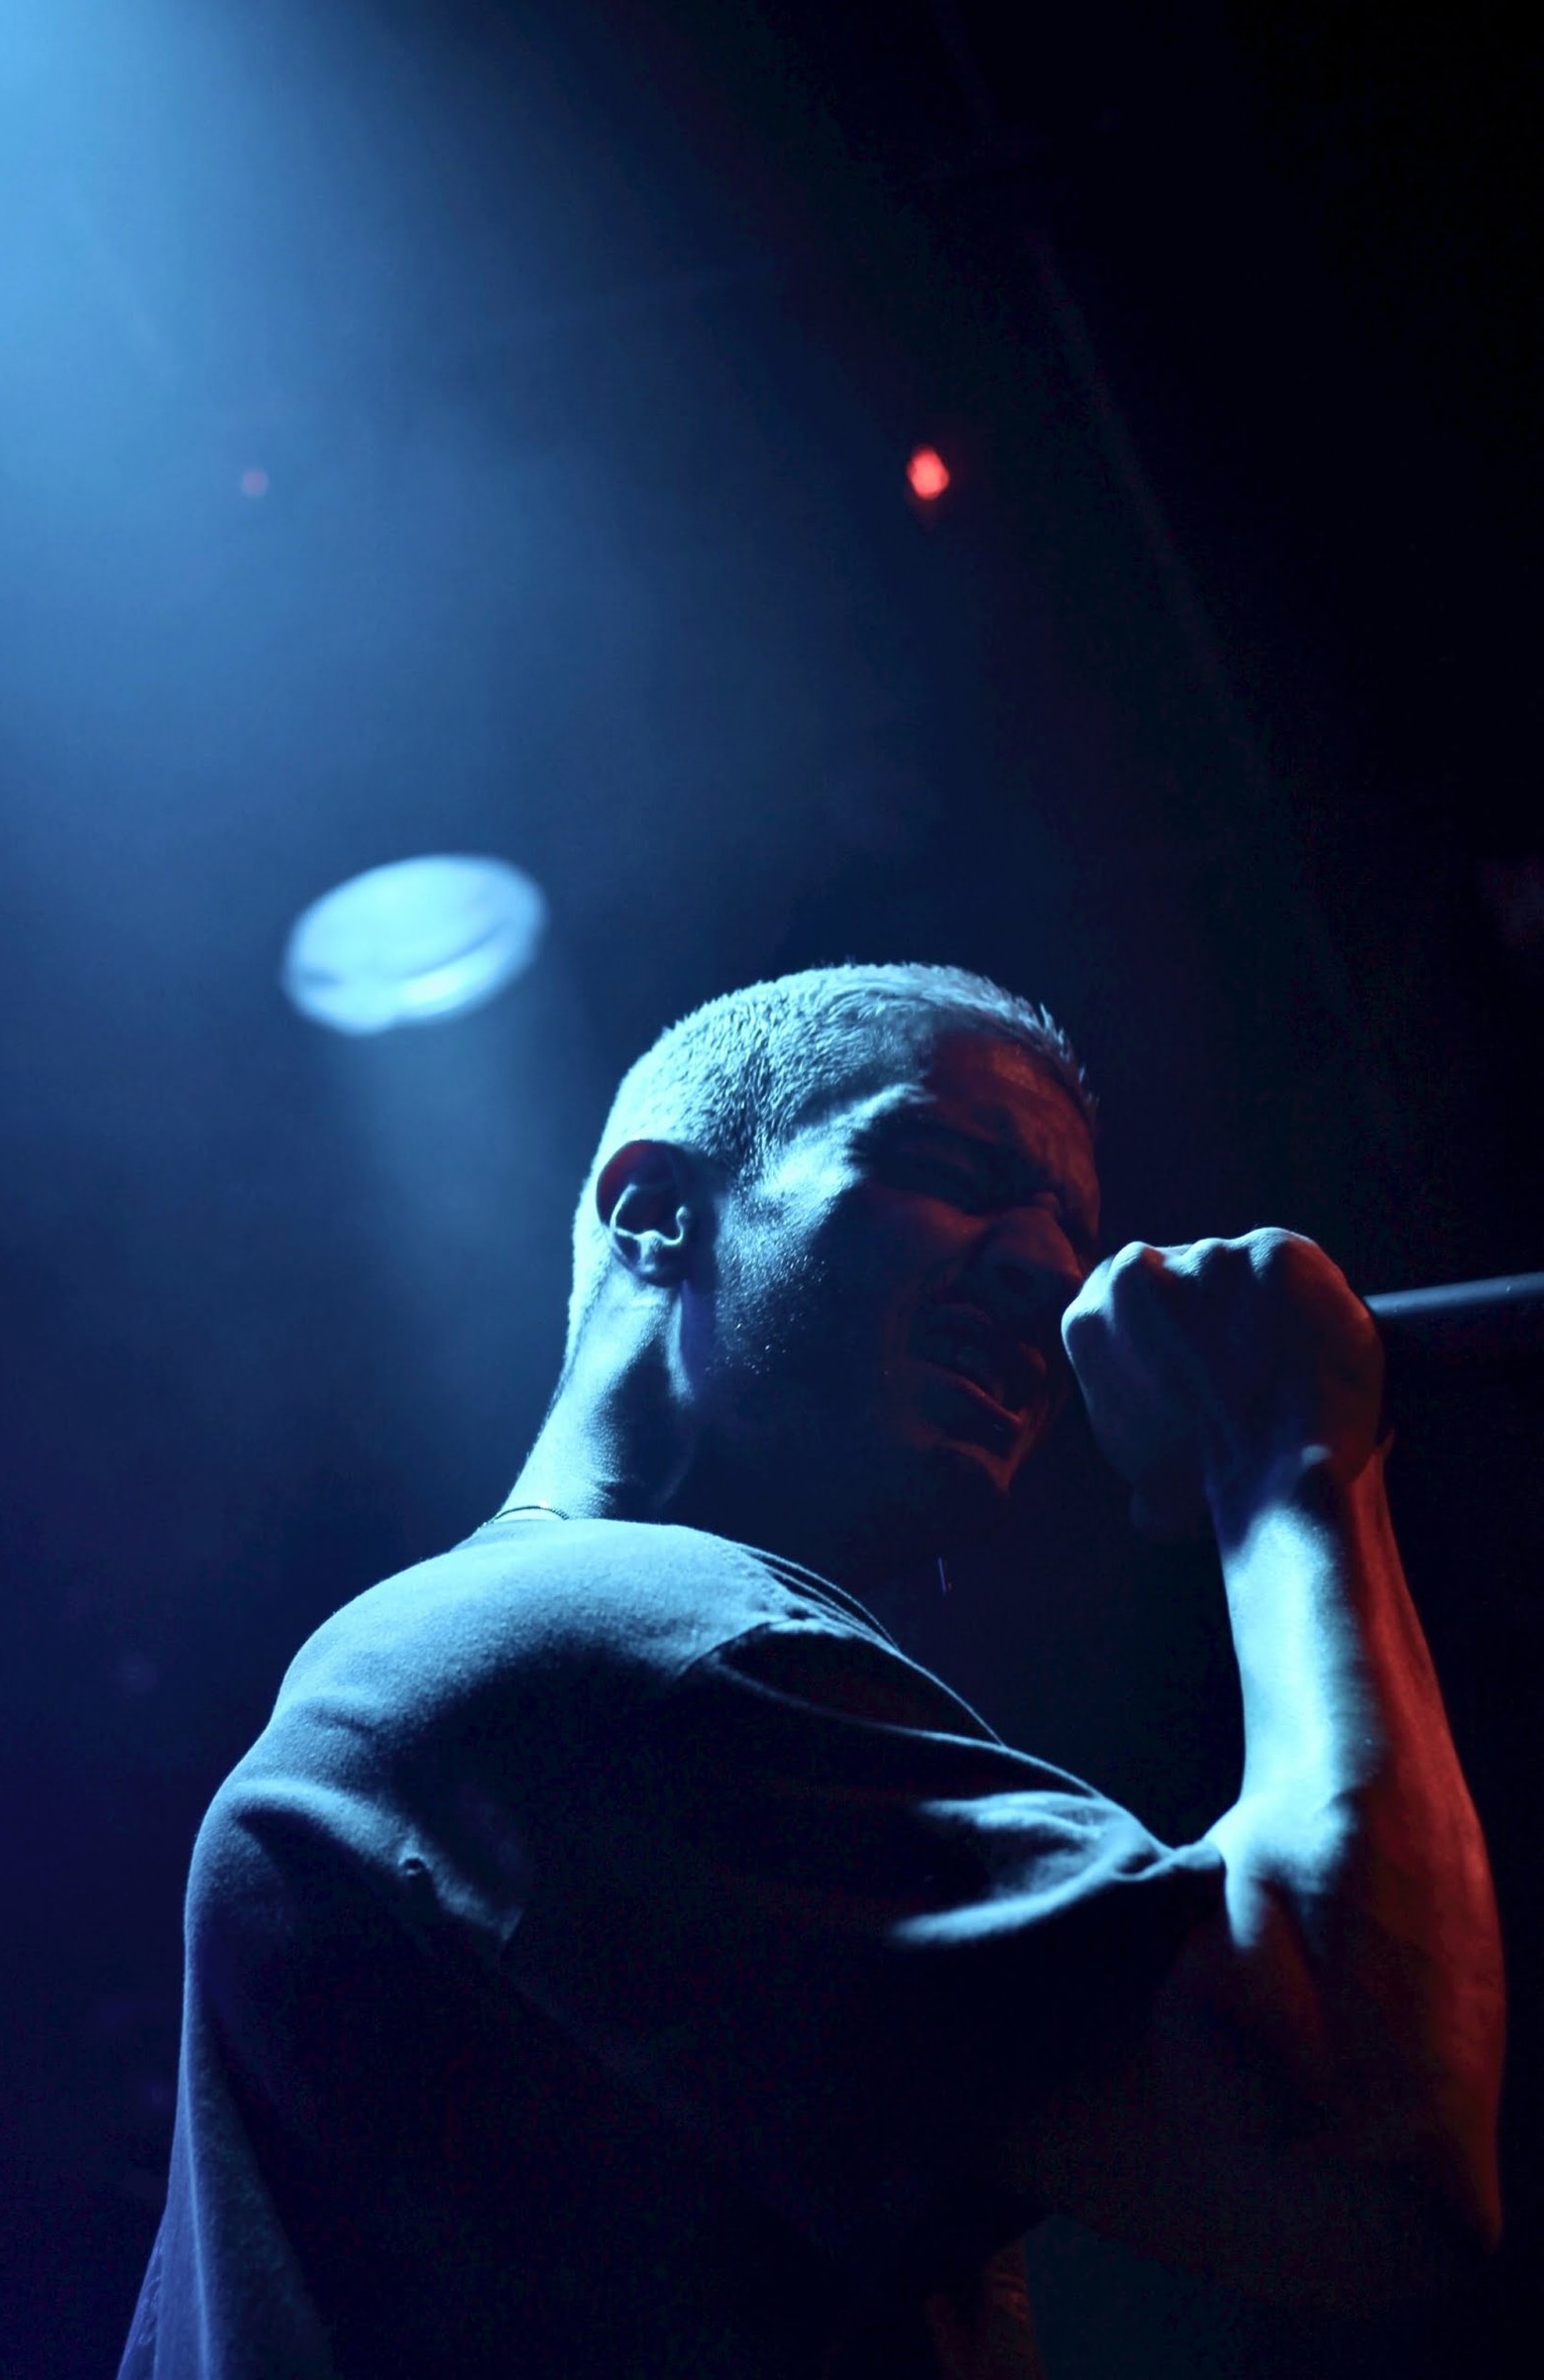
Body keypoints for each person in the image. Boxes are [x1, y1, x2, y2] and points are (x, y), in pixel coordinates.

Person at [118, 962, 1504, 2380]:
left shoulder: (464, 1677)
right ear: (659, 1210)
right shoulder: (606, 1648)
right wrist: (1291, 1462)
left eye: (1067, 1229)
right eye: (951, 1169)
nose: (1049, 1269)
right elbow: (1362, 2128)